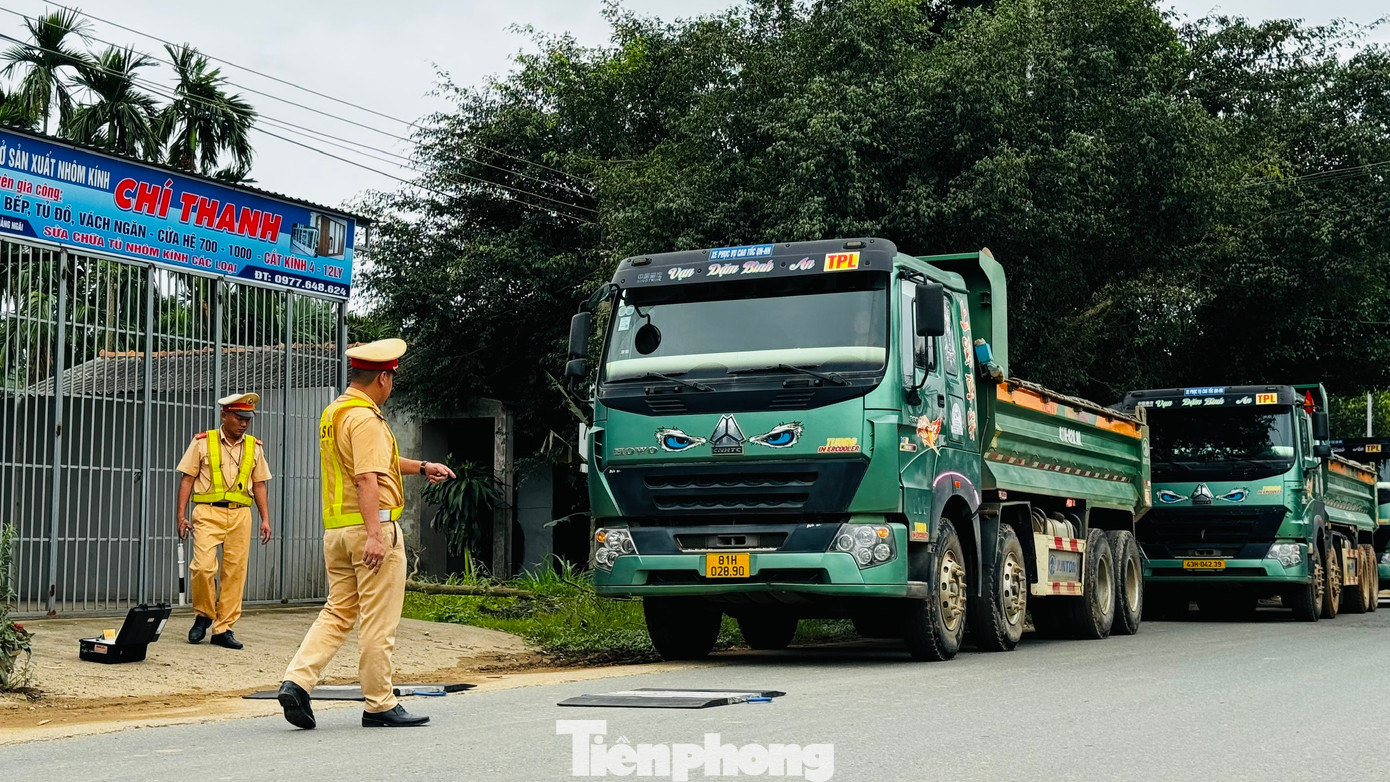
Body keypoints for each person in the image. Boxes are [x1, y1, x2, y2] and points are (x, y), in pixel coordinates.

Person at [278, 338, 454, 729]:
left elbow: (378, 463)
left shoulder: (335, 413)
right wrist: (377, 535)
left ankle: (296, 681)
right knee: (378, 621)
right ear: (383, 378)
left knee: (337, 612)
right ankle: (379, 703)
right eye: (392, 378)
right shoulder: (367, 418)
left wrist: (422, 466)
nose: (392, 385)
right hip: (370, 532)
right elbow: (367, 478)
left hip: (338, 533)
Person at [175, 392, 273, 650]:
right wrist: (181, 515)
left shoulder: (254, 447)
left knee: (235, 573)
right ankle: (204, 614)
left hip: (241, 515)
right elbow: (187, 478)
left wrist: (265, 519)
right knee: (203, 567)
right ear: (224, 415)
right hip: (207, 512)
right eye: (239, 418)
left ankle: (223, 628)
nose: (243, 423)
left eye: (247, 419)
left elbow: (260, 483)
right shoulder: (202, 442)